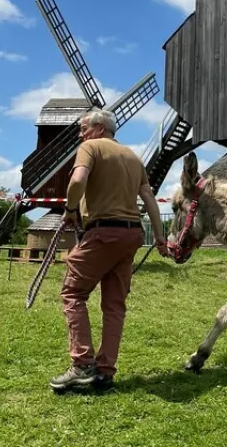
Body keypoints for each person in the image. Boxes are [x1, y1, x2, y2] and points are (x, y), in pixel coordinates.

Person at [50, 108, 169, 392]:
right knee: (114, 305)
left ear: (99, 127)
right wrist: (160, 237)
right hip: (132, 235)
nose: (80, 134)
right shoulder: (133, 156)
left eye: (83, 128)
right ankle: (105, 372)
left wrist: (69, 210)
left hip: (102, 232)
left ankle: (81, 365)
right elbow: (149, 198)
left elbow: (78, 180)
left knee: (73, 293)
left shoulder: (89, 147)